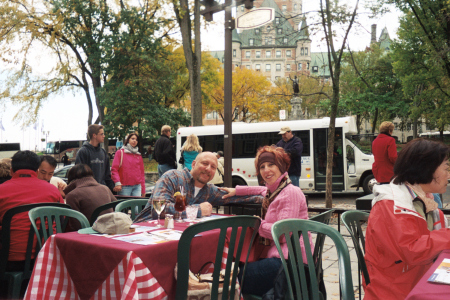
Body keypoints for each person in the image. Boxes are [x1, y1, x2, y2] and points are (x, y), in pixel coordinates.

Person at [364, 138, 450, 299]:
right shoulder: (390, 206)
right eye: (446, 168)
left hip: (415, 281)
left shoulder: (426, 202)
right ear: (427, 169)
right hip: (392, 292)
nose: (448, 174)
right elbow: (413, 250)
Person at [220, 145, 311, 296]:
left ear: (281, 166)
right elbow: (258, 190)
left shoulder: (290, 193)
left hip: (289, 264)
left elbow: (282, 234)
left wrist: (257, 223)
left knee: (231, 277)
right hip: (282, 259)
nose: (266, 170)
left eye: (271, 165)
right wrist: (236, 191)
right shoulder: (275, 190)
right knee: (234, 270)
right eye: (262, 166)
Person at [134, 152, 263, 222]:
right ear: (194, 164)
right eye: (205, 163)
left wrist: (270, 196)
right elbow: (159, 210)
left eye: (213, 167)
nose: (208, 169)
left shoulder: (210, 191)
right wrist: (197, 210)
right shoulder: (172, 177)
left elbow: (241, 198)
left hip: (175, 238)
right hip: (144, 233)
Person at [0, 151, 63, 271]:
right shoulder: (53, 191)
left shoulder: (1, 190)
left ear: (11, 171)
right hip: (45, 257)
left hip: (8, 260)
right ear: (37, 171)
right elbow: (61, 220)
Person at [64, 164, 116, 230]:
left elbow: (74, 224)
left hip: (88, 231)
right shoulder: (105, 188)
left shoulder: (72, 195)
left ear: (70, 178)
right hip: (111, 228)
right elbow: (116, 205)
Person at [75, 124, 114, 191]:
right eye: (101, 134)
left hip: (102, 190)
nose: (104, 136)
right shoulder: (83, 151)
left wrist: (112, 187)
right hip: (88, 190)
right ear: (94, 135)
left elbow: (107, 175)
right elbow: (78, 174)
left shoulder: (103, 152)